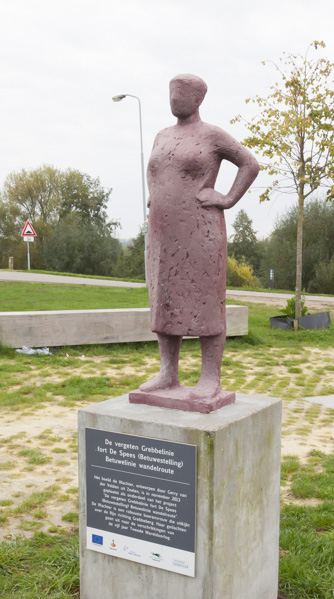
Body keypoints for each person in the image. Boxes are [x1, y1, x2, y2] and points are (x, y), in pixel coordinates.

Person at [135, 74, 259, 409]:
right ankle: (168, 372)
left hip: (201, 229)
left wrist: (228, 198)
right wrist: (155, 197)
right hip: (163, 230)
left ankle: (210, 377)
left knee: (205, 298)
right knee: (164, 297)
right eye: (171, 93)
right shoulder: (162, 135)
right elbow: (156, 172)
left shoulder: (212, 135)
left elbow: (250, 163)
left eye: (181, 94)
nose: (174, 99)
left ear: (198, 98)